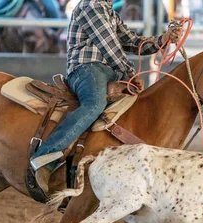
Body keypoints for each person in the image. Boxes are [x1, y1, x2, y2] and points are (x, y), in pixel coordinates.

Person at [30, 0, 183, 193]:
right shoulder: (91, 6)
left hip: (108, 72)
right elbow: (110, 47)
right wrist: (130, 74)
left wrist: (163, 39)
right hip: (86, 69)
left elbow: (132, 42)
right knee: (95, 104)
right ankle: (44, 157)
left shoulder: (108, 11)